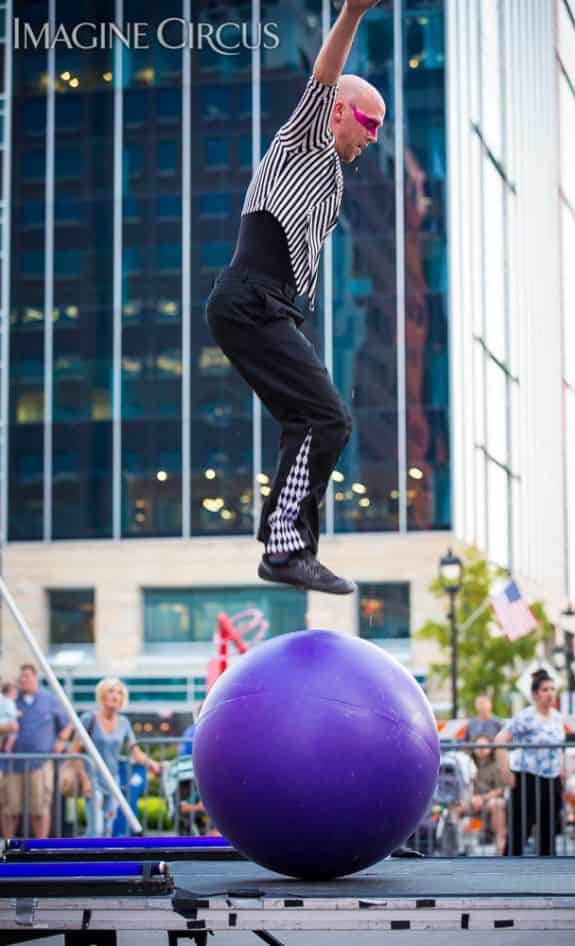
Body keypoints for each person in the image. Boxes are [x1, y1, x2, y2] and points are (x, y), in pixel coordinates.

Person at [205, 0, 385, 595]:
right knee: (327, 416)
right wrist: (354, 12)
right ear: (339, 114)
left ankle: (287, 544)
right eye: (370, 123)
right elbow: (324, 76)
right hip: (250, 299)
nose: (373, 138)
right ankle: (287, 548)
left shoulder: (331, 178)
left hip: (270, 308)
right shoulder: (303, 139)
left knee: (312, 420)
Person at [69, 678, 161, 837]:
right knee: (95, 828)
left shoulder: (124, 722)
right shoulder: (88, 719)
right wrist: (84, 780)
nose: (115, 696)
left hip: (113, 780)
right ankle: (86, 859)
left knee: (108, 827)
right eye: (111, 691)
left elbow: (135, 752)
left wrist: (151, 763)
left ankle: (104, 861)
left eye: (119, 692)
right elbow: (75, 751)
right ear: (102, 695)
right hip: (93, 780)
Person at [495, 669, 565, 856]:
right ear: (535, 694)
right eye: (544, 689)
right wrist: (505, 772)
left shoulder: (558, 717)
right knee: (520, 828)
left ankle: (547, 870)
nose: (550, 693)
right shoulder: (526, 716)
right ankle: (510, 869)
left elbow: (559, 747)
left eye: (552, 689)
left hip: (552, 778)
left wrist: (563, 770)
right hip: (528, 777)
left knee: (549, 828)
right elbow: (500, 739)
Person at [0, 664, 72, 839]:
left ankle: (41, 846)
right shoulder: (9, 700)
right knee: (10, 808)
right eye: (21, 677)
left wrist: (61, 741)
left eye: (27, 676)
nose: (23, 680)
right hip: (12, 764)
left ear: (35, 678)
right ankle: (8, 848)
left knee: (40, 808)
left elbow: (68, 723)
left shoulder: (50, 699)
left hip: (40, 763)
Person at [470, 735, 506, 855]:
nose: (481, 749)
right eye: (478, 746)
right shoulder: (467, 763)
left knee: (497, 804)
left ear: (490, 749)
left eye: (484, 746)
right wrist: (471, 798)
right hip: (469, 800)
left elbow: (500, 789)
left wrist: (482, 798)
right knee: (455, 805)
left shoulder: (496, 765)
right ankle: (450, 849)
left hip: (488, 801)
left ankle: (500, 845)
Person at [0, 681, 20, 753]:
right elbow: (11, 712)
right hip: (8, 721)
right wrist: (18, 713)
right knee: (13, 734)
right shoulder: (9, 701)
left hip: (4, 721)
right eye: (14, 692)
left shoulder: (4, 700)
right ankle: (8, 747)